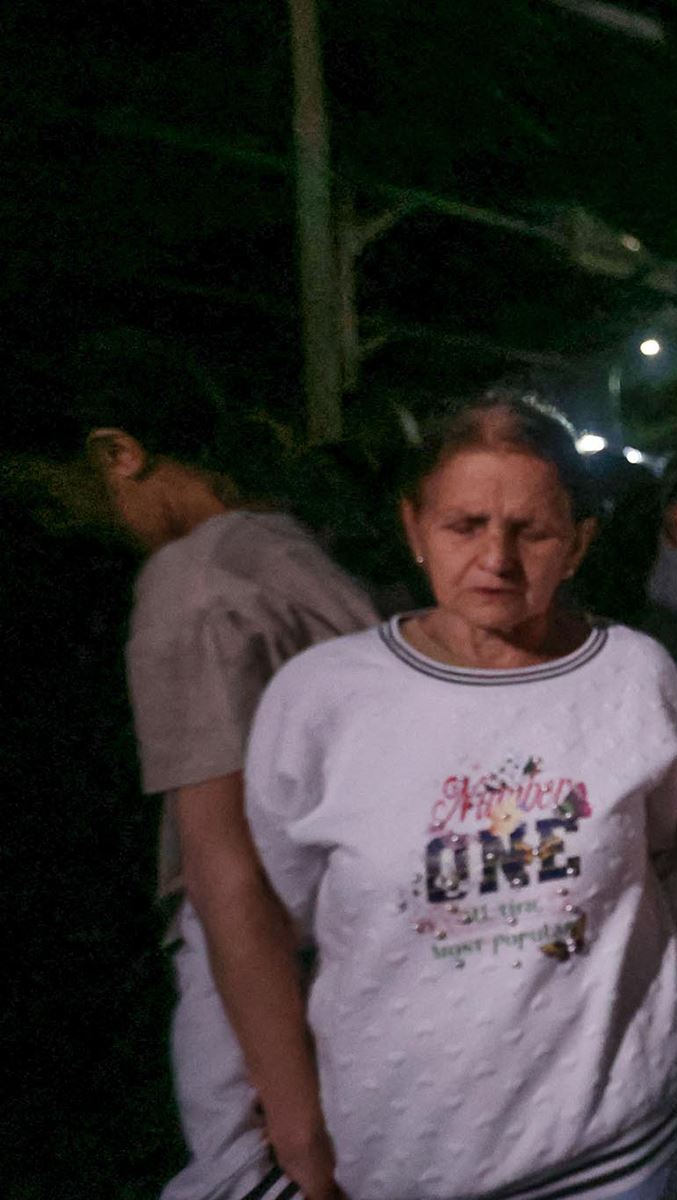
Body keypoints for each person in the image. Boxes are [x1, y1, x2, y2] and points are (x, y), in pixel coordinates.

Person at [236, 390, 677, 1200]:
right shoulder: (322, 698)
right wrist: (279, 1113)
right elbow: (257, 925)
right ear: (413, 529)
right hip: (396, 1157)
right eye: (465, 526)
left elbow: (670, 862)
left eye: (531, 532)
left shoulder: (633, 673)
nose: (496, 560)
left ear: (578, 543)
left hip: (614, 1151)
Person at [80, 370, 378, 1200]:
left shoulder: (190, 585)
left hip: (258, 951)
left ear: (119, 454)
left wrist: (288, 1121)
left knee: (244, 1179)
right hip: (340, 925)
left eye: (54, 498)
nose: (64, 523)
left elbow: (223, 859)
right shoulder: (281, 545)